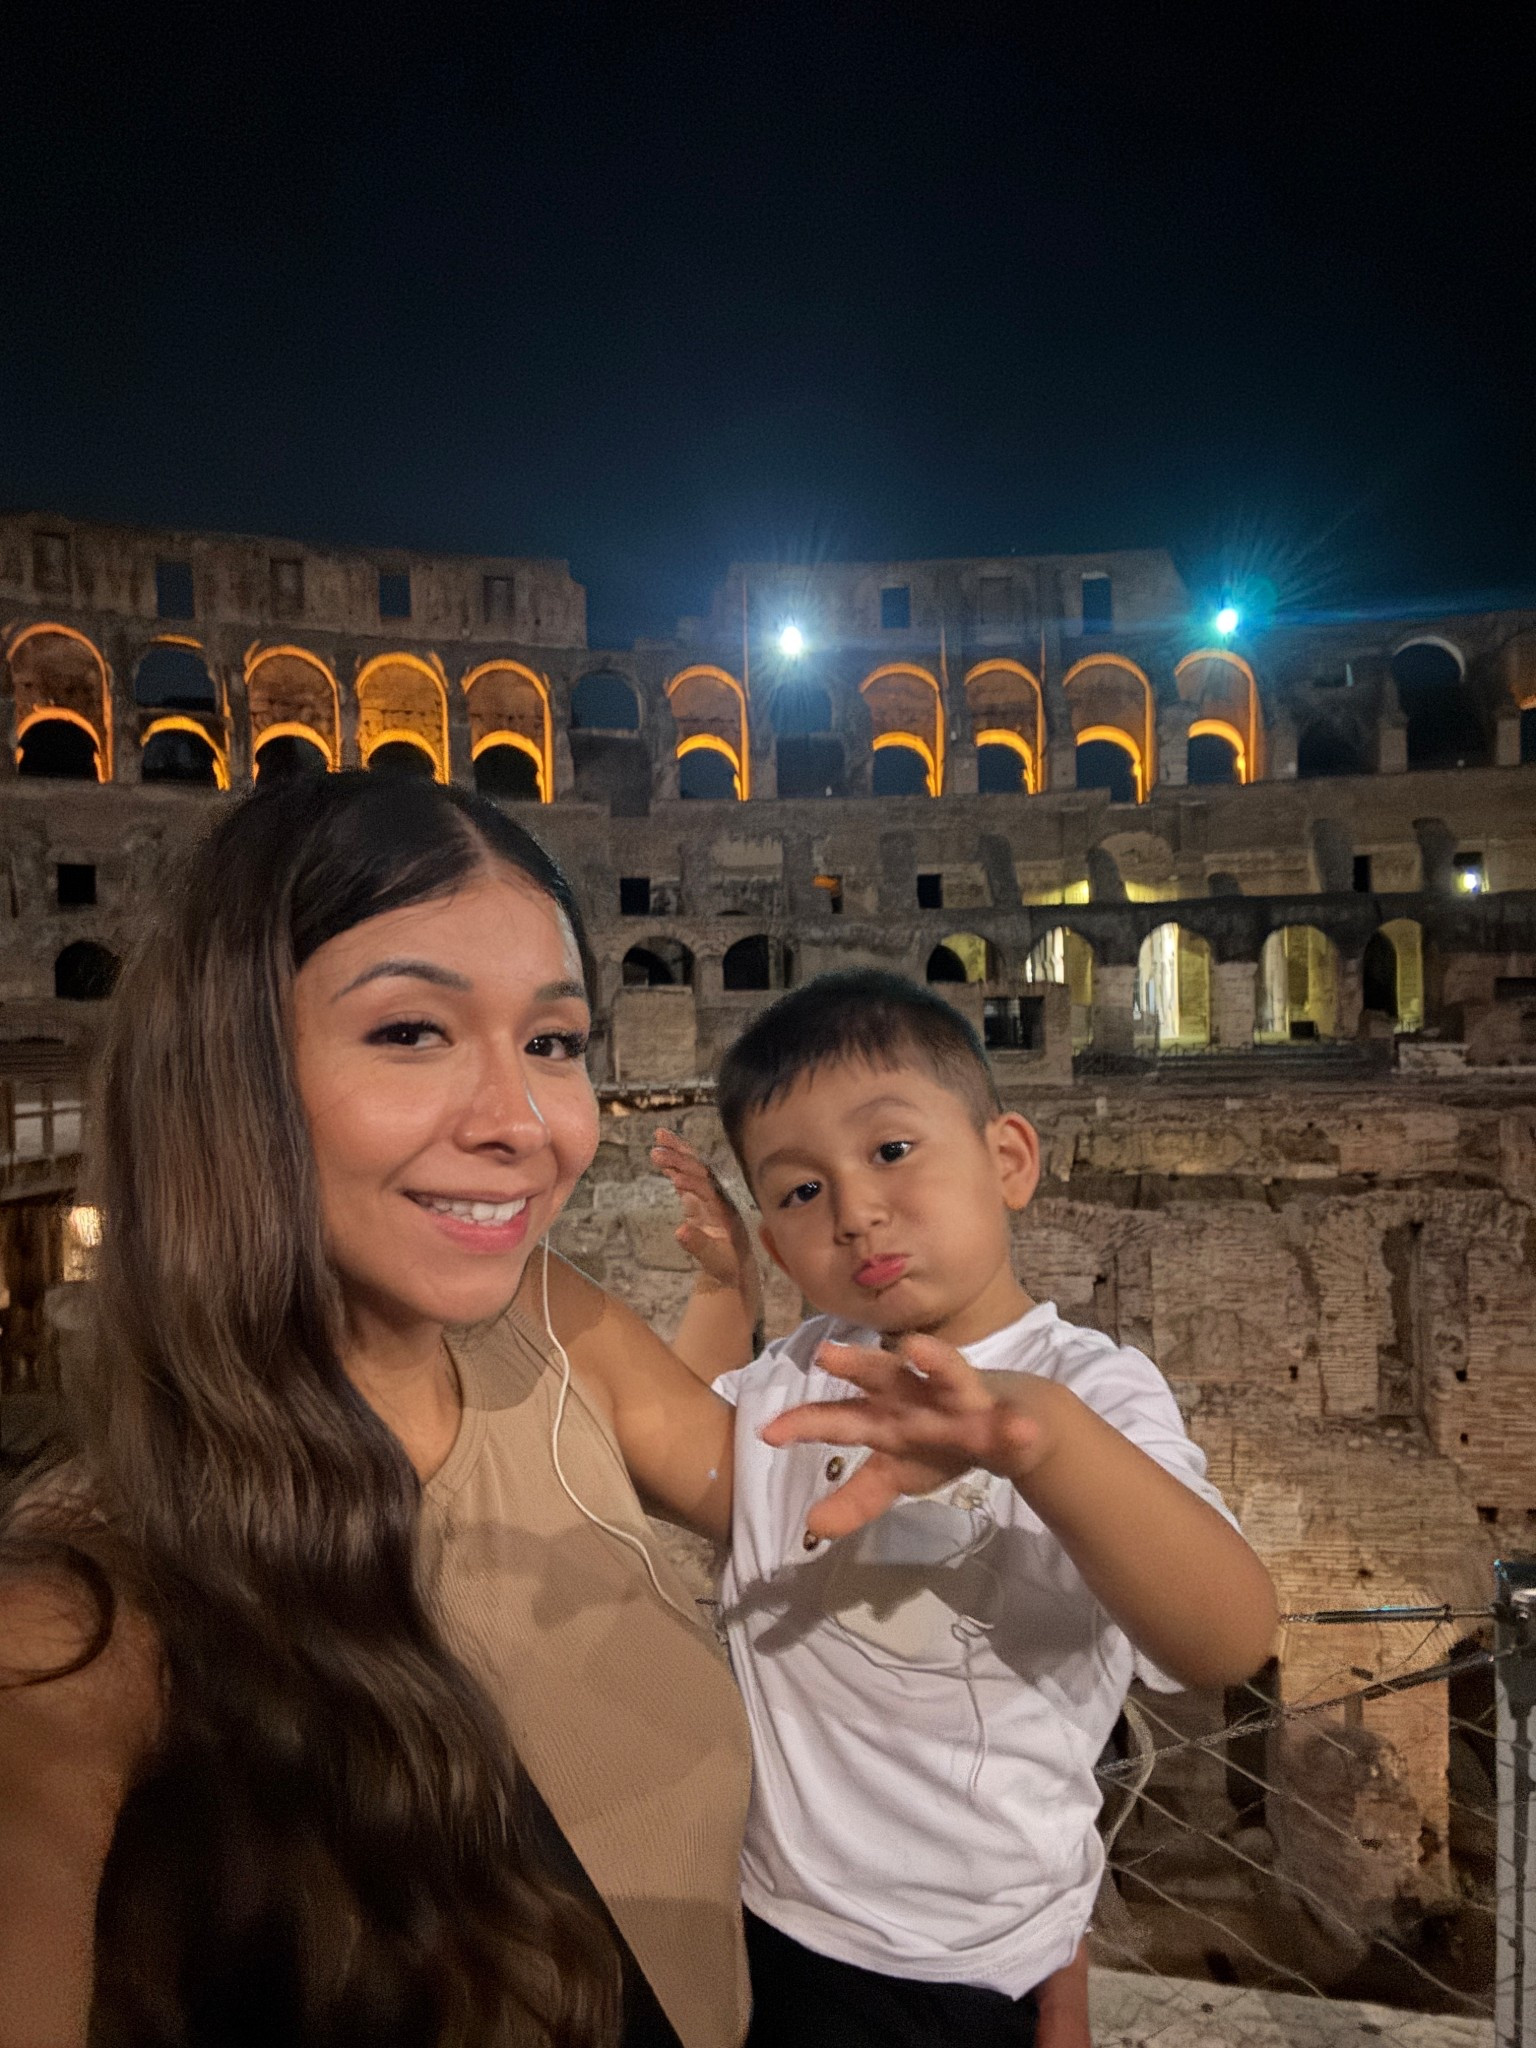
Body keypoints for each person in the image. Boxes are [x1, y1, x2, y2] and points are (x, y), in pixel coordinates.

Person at [0, 773, 754, 2048]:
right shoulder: (78, 1627)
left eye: (554, 1042)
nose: (525, 1124)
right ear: (229, 1075)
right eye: (412, 1031)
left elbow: (805, 1507)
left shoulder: (550, 1323)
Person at [652, 969, 1278, 2048]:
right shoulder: (796, 1378)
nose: (856, 1211)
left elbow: (1229, 1635)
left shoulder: (1089, 1388)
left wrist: (1038, 1444)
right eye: (800, 1192)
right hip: (773, 1914)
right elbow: (690, 1451)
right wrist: (722, 1297)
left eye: (891, 1150)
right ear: (773, 1237)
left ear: (1009, 1161)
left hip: (971, 1964)